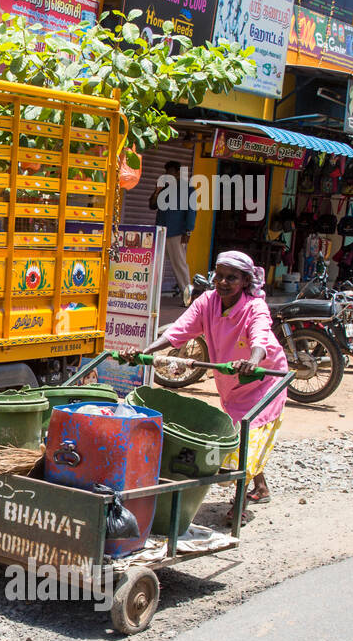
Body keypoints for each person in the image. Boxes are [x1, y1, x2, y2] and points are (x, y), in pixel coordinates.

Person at [119, 250, 288, 522]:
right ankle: (261, 486)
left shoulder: (255, 307)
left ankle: (240, 503)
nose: (222, 282)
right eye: (218, 276)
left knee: (247, 441)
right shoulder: (207, 302)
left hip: (263, 381)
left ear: (245, 281)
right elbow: (178, 331)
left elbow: (261, 338)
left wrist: (252, 362)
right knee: (241, 435)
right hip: (231, 383)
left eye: (230, 278)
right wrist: (145, 352)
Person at [148, 160, 197, 304]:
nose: (168, 175)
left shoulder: (188, 189)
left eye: (171, 172)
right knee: (156, 265)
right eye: (166, 172)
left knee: (180, 266)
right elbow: (152, 205)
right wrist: (157, 191)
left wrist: (188, 232)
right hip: (160, 231)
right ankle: (153, 297)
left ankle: (188, 297)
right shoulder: (163, 188)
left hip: (176, 233)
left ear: (177, 173)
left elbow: (191, 212)